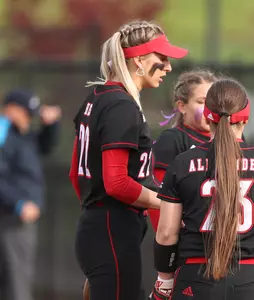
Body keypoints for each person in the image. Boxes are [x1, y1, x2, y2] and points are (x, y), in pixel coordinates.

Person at [151, 78, 254, 300]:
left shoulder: (183, 163)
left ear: (207, 115)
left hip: (196, 275)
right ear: (247, 117)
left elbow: (166, 234)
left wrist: (165, 281)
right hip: (251, 278)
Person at [70, 20, 188, 300]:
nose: (168, 67)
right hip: (112, 227)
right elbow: (117, 184)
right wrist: (167, 204)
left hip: (100, 226)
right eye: (162, 58)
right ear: (138, 60)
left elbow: (76, 174)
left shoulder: (97, 96)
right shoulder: (120, 105)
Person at [0, 89, 61, 300]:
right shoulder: (5, 134)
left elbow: (45, 144)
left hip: (19, 221)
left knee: (16, 279)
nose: (29, 120)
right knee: (16, 283)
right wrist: (18, 204)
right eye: (26, 113)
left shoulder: (23, 137)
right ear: (11, 109)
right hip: (9, 218)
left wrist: (51, 125)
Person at [148, 69, 218, 231]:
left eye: (214, 102)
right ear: (182, 106)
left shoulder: (233, 139)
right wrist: (168, 241)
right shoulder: (173, 139)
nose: (210, 109)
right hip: (189, 240)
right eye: (202, 102)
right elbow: (158, 196)